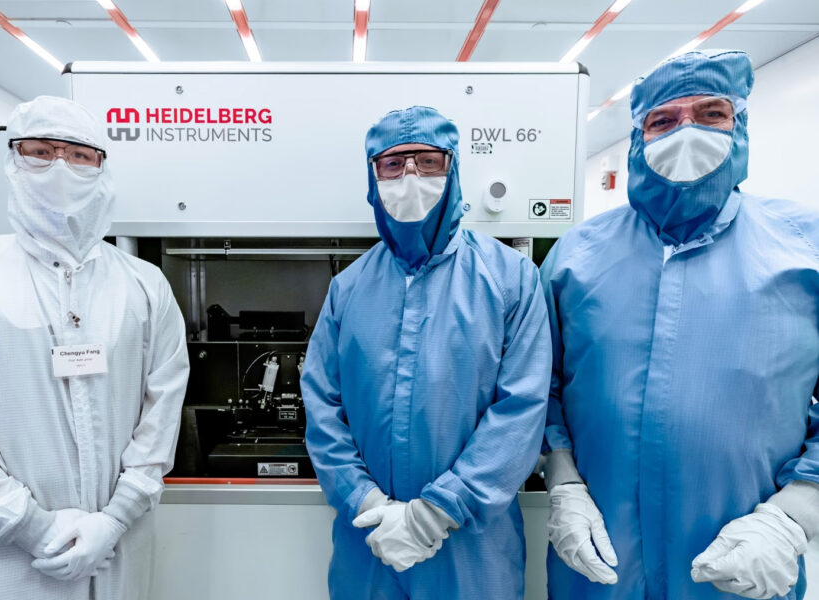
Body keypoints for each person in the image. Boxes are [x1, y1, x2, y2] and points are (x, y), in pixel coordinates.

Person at [541, 49, 819, 600]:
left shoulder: (803, 248)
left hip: (741, 567)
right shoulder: (577, 257)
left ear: (740, 124)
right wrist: (563, 481)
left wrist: (796, 512)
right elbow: (538, 388)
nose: (687, 132)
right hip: (601, 563)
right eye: (664, 120)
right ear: (637, 136)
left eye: (711, 114)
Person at [0, 95, 189, 599]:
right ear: (13, 160)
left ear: (102, 168)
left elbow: (162, 414)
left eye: (79, 155)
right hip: (3, 565)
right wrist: (31, 526)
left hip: (115, 551)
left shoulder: (145, 286)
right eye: (40, 152)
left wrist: (115, 518)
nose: (60, 167)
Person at [301, 106, 551, 599]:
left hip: (470, 545)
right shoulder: (347, 289)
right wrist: (364, 499)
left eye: (428, 161)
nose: (410, 176)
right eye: (393, 164)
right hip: (369, 541)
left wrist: (438, 511)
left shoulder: (510, 279)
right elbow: (322, 407)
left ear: (452, 169)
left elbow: (521, 410)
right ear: (373, 177)